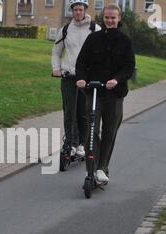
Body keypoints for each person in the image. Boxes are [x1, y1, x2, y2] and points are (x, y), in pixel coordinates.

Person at [75, 3, 135, 183]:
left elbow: (129, 66)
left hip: (115, 94)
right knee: (91, 131)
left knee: (109, 131)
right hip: (93, 92)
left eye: (113, 18)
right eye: (107, 17)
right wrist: (81, 78)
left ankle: (102, 168)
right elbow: (81, 62)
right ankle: (91, 170)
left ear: (119, 19)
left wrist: (116, 79)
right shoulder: (93, 38)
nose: (110, 20)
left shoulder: (125, 41)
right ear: (103, 18)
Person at [52, 0, 100, 158]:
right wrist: (56, 69)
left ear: (85, 10)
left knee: (84, 112)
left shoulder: (95, 29)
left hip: (86, 78)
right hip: (68, 76)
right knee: (69, 111)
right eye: (75, 10)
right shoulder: (65, 30)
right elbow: (56, 52)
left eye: (80, 9)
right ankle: (71, 143)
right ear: (71, 11)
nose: (78, 12)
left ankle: (82, 143)